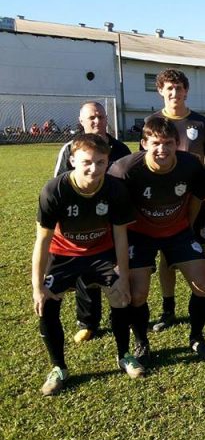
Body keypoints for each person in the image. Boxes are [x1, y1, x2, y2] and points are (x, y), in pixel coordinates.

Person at [33, 134, 140, 396]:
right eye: (87, 162)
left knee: (121, 296)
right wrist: (37, 286)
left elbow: (120, 236)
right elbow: (42, 241)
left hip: (101, 253)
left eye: (101, 162)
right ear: (72, 161)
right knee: (46, 304)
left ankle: (124, 355)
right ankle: (59, 368)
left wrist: (123, 276)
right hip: (63, 255)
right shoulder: (54, 190)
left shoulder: (115, 189)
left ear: (107, 162)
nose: (94, 168)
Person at [109, 117, 205, 362]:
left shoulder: (190, 164)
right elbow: (114, 214)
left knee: (203, 284)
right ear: (144, 143)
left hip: (178, 232)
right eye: (156, 143)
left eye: (168, 143)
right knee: (138, 294)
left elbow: (197, 198)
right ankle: (141, 342)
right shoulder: (124, 170)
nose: (162, 149)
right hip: (139, 235)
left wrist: (187, 226)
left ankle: (196, 337)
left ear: (177, 144)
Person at [53, 102, 131, 343]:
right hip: (84, 223)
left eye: (101, 117)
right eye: (91, 118)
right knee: (86, 274)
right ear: (81, 121)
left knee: (117, 269)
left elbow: (128, 183)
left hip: (114, 221)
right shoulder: (70, 148)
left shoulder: (121, 148)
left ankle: (122, 316)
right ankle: (88, 322)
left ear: (107, 118)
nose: (97, 121)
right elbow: (59, 185)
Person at [148, 69, 205, 332]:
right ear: (160, 91)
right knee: (167, 257)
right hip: (165, 204)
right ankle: (168, 309)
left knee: (202, 251)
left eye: (179, 88)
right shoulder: (152, 121)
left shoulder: (201, 123)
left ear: (186, 91)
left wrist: (202, 190)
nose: (174, 93)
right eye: (169, 88)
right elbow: (146, 163)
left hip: (196, 200)